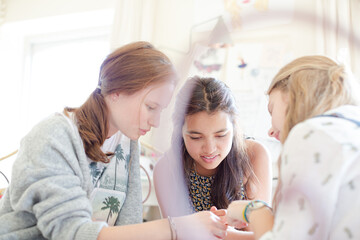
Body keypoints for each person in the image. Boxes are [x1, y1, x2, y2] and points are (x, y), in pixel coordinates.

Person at [0, 41, 228, 240]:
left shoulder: (126, 143)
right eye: (151, 107)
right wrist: (178, 227)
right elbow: (73, 234)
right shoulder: (53, 136)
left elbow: (129, 227)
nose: (156, 121)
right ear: (116, 92)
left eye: (161, 110)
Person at [226, 55, 360, 240]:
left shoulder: (312, 133)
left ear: (292, 96)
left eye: (271, 110)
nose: (270, 132)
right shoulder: (348, 129)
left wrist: (252, 209)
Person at [154, 76, 272, 239]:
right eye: (196, 137)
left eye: (221, 135)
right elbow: (177, 235)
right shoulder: (167, 169)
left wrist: (207, 229)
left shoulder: (254, 156)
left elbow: (260, 235)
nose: (209, 149)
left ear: (234, 126)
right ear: (180, 131)